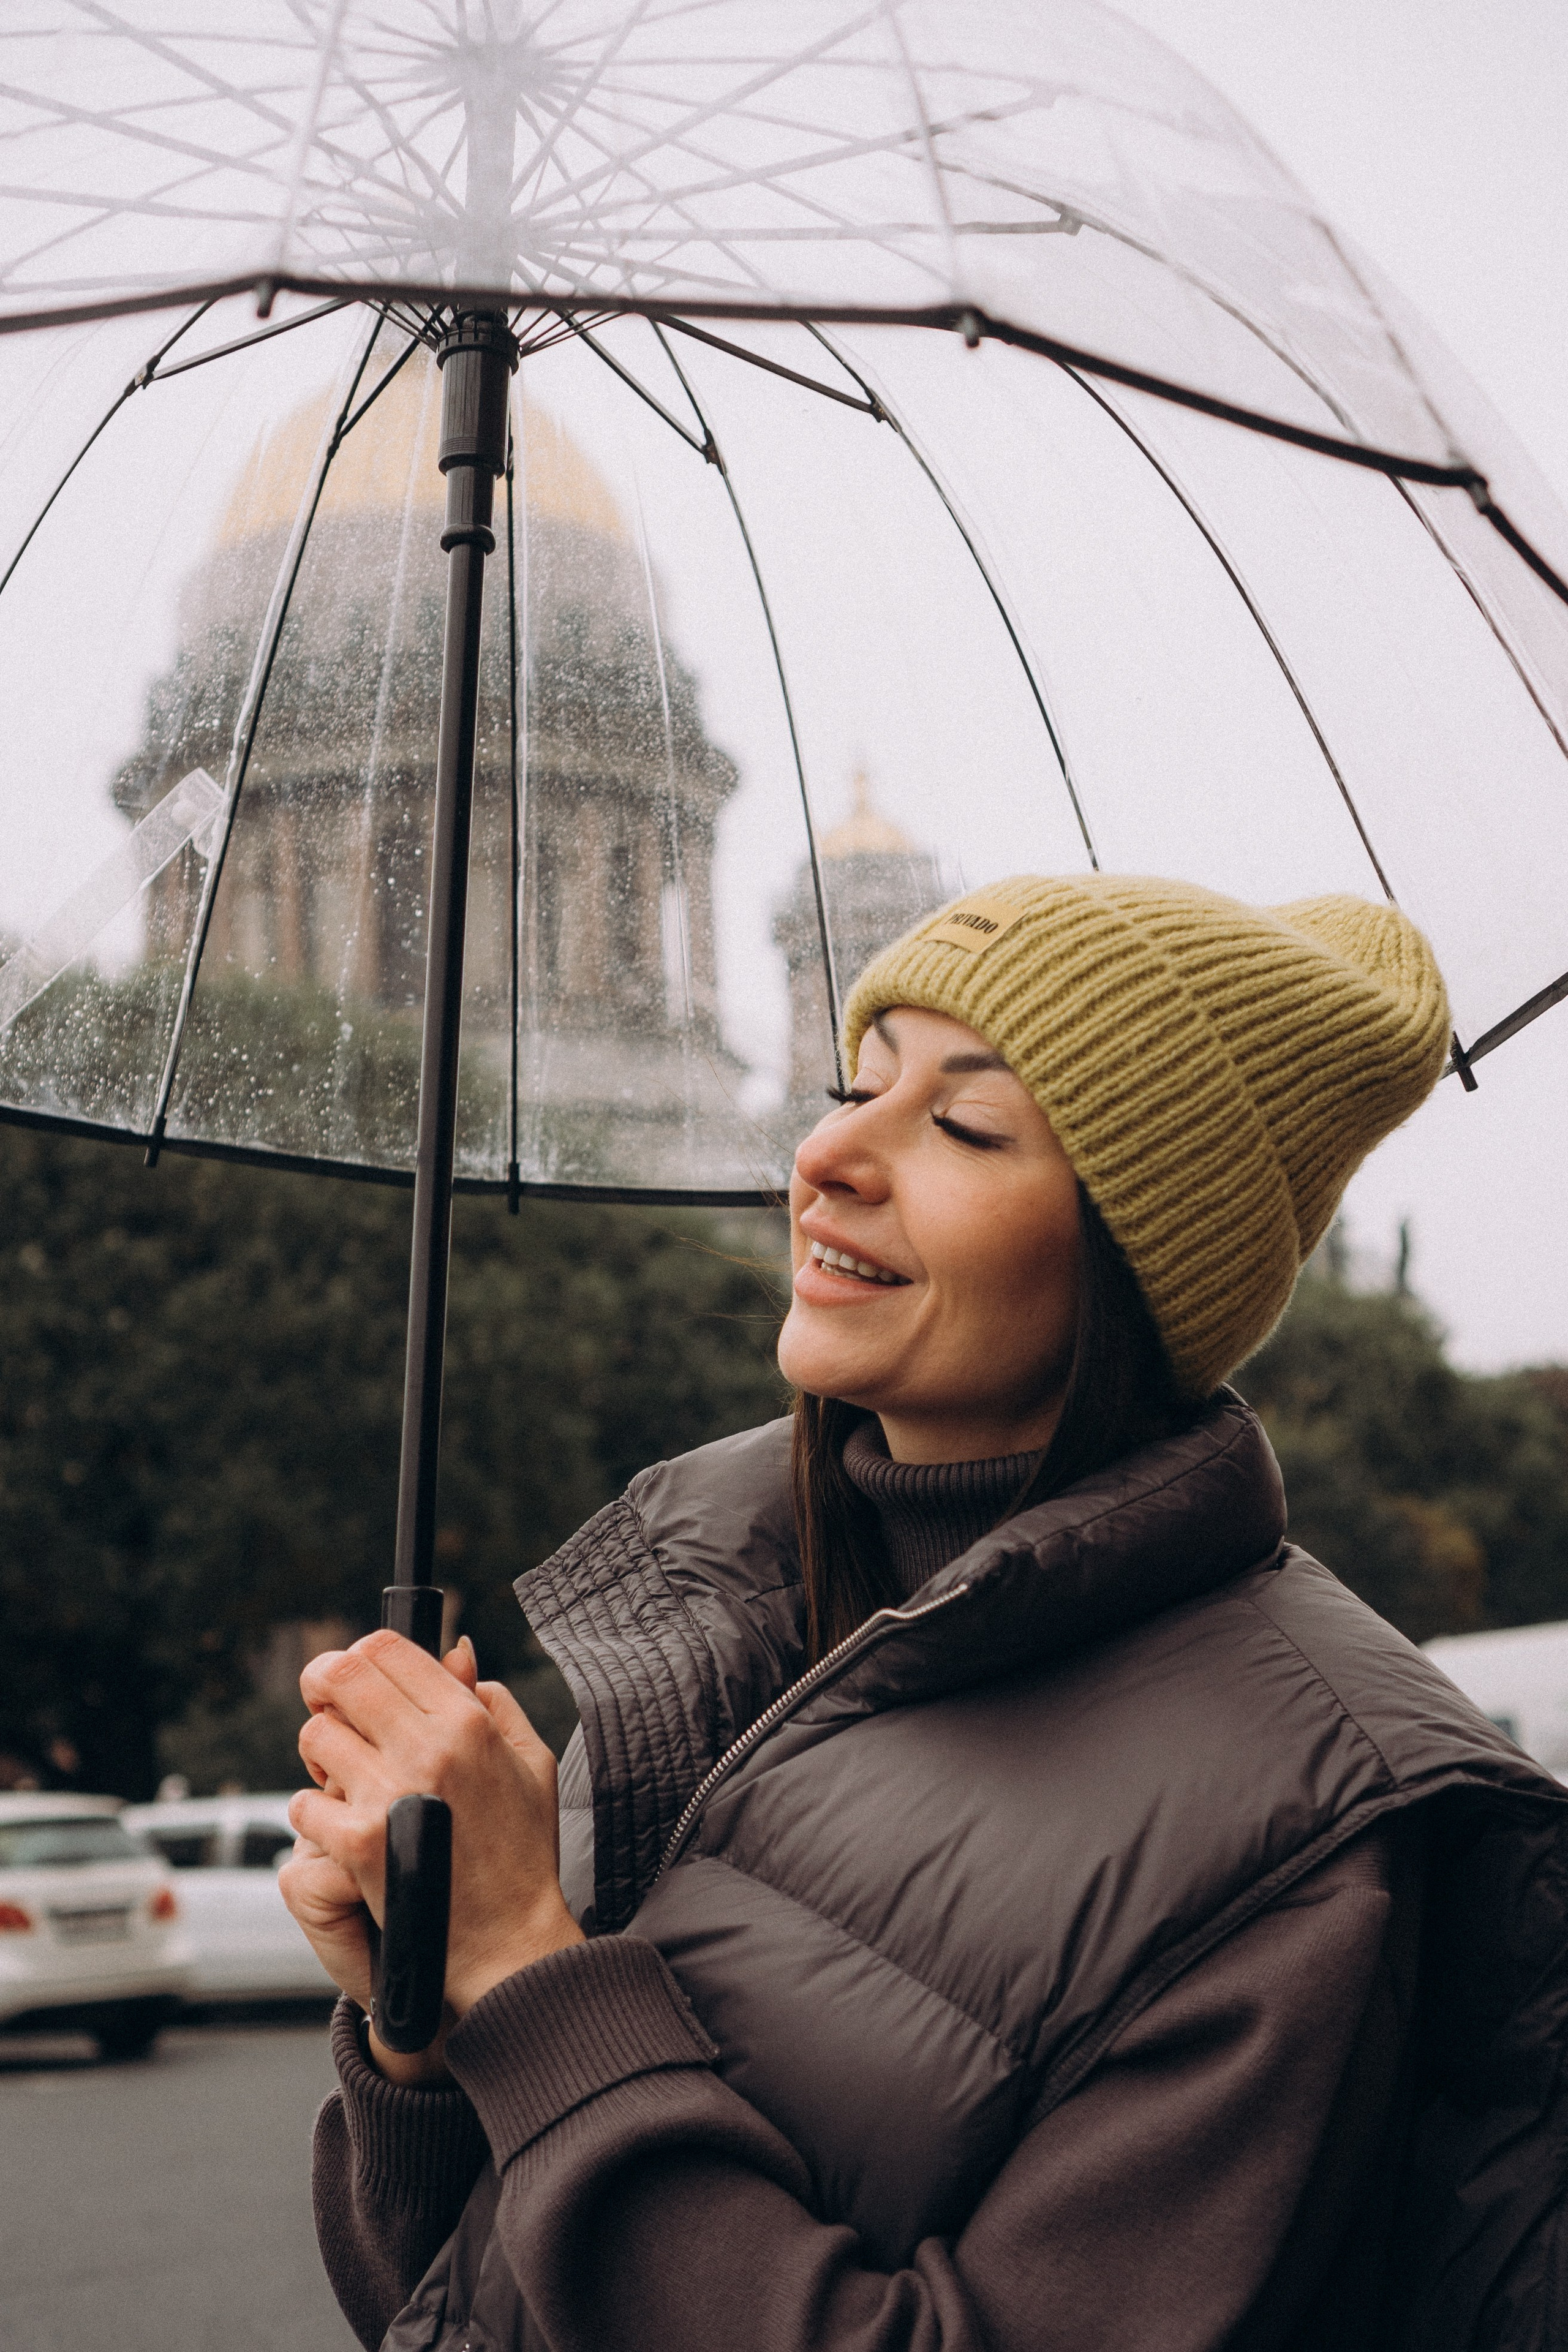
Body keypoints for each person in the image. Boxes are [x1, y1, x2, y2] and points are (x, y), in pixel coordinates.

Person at [284, 875, 1568, 2352]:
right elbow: (452, 2308)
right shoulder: (727, 1615)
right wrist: (428, 2031)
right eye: (853, 1084)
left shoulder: (1310, 1822)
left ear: (1135, 1265)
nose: (826, 1153)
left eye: (959, 1125)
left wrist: (527, 1966)